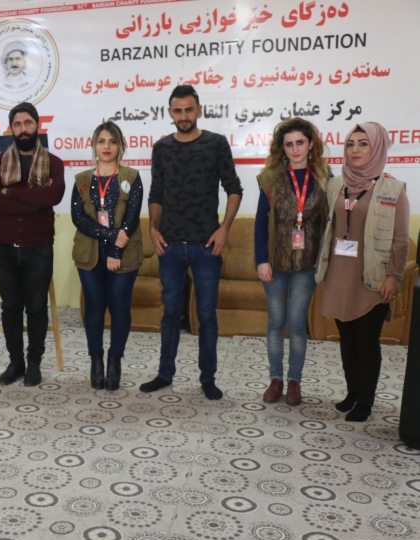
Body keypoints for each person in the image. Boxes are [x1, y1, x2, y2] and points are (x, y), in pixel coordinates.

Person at [140, 85, 243, 400]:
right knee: (170, 313)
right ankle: (164, 374)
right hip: (170, 246)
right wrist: (153, 229)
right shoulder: (161, 148)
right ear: (170, 113)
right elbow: (156, 193)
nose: (183, 116)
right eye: (178, 110)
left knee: (207, 316)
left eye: (189, 109)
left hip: (206, 247)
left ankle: (207, 379)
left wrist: (224, 229)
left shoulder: (216, 143)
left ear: (199, 110)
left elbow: (234, 188)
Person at [315, 122, 410, 422]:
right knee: (346, 338)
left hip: (373, 278)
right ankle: (352, 393)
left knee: (366, 341)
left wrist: (394, 276)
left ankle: (365, 402)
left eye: (363, 143)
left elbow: (400, 239)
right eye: (350, 144)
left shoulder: (393, 190)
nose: (355, 150)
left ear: (377, 148)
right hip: (339, 274)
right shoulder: (335, 185)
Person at [0, 101, 65, 386]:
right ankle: (15, 362)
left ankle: (34, 363)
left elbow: (52, 196)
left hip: (39, 248)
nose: (23, 129)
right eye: (17, 124)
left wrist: (10, 193)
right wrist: (32, 204)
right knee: (10, 308)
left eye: (27, 123)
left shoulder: (53, 162)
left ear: (37, 125)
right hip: (5, 248)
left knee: (37, 309)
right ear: (11, 128)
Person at [255, 118, 330, 406]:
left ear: (311, 144)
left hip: (307, 265)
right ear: (282, 148)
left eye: (300, 142)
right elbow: (260, 224)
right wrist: (262, 260)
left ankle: (295, 381)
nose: (295, 149)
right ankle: (275, 379)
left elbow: (332, 219)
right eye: (289, 144)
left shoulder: (325, 178)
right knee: (276, 323)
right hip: (275, 263)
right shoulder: (270, 178)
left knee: (297, 324)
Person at [71, 122, 143, 391]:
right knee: (93, 307)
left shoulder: (132, 177)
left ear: (120, 146)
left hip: (123, 254)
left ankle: (114, 362)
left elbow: (132, 216)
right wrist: (110, 236)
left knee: (120, 308)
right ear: (94, 145)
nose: (107, 147)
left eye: (112, 141)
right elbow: (78, 218)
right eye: (102, 141)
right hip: (89, 253)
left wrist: (115, 250)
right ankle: (96, 361)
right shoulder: (81, 180)